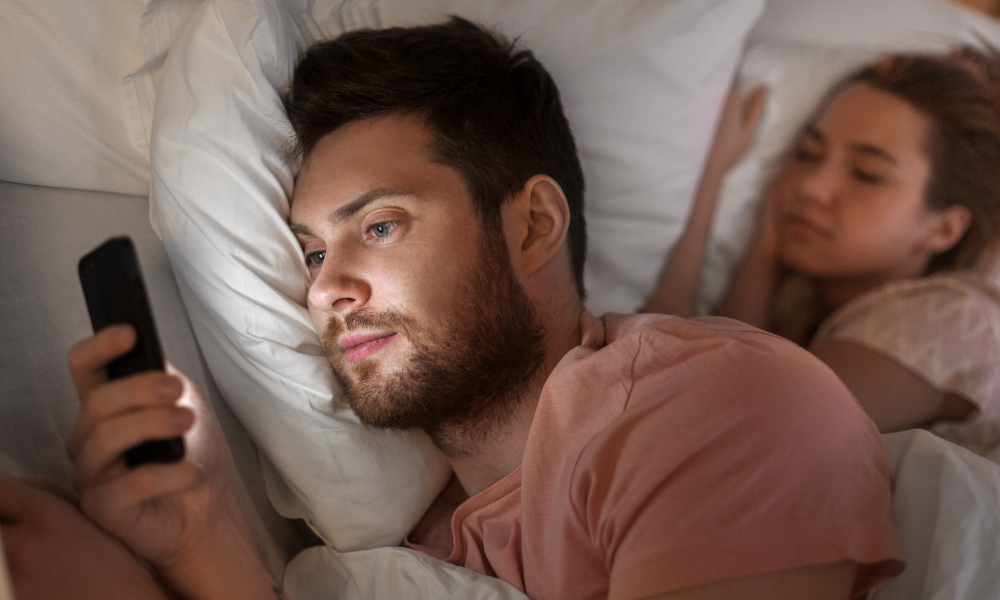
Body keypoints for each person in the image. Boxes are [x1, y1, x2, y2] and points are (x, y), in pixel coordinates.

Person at [2, 18, 903, 600]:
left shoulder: (713, 410)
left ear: (534, 224)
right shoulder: (424, 553)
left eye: (381, 226)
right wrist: (196, 531)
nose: (323, 289)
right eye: (311, 252)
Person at [645, 48, 1000, 451]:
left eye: (867, 175)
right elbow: (716, 374)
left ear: (943, 228)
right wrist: (767, 248)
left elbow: (706, 429)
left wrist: (708, 182)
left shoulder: (955, 321)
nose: (810, 186)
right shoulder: (812, 317)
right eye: (808, 154)